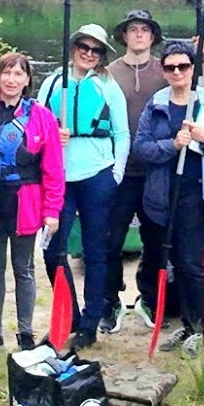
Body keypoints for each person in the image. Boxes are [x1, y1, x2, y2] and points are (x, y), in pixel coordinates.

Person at [102, 9, 204, 333]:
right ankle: (110, 300)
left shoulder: (169, 67)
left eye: (145, 30)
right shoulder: (108, 73)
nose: (138, 34)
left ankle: (149, 297)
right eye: (133, 29)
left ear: (153, 37)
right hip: (120, 170)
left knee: (156, 243)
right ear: (124, 35)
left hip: (160, 172)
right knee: (111, 241)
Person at [133, 42, 204, 357]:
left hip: (196, 193)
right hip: (163, 194)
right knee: (173, 259)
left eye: (184, 66)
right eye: (170, 67)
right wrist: (172, 144)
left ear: (192, 69)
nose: (177, 72)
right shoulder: (156, 105)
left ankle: (197, 328)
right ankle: (186, 324)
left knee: (191, 262)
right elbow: (142, 149)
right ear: (163, 71)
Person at [36, 23, 130, 350]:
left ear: (102, 55)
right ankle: (70, 316)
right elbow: (36, 132)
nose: (88, 54)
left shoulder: (108, 86)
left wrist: (115, 175)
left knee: (94, 252)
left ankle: (90, 323)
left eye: (96, 50)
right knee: (52, 250)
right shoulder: (52, 83)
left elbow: (121, 134)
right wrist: (52, 136)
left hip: (97, 176)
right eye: (83, 47)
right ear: (74, 47)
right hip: (59, 180)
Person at [0, 53, 64, 353]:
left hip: (24, 204)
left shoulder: (40, 116)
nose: (11, 80)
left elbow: (53, 169)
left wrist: (52, 211)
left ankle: (25, 333)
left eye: (18, 74)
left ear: (27, 80)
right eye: (6, 73)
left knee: (23, 269)